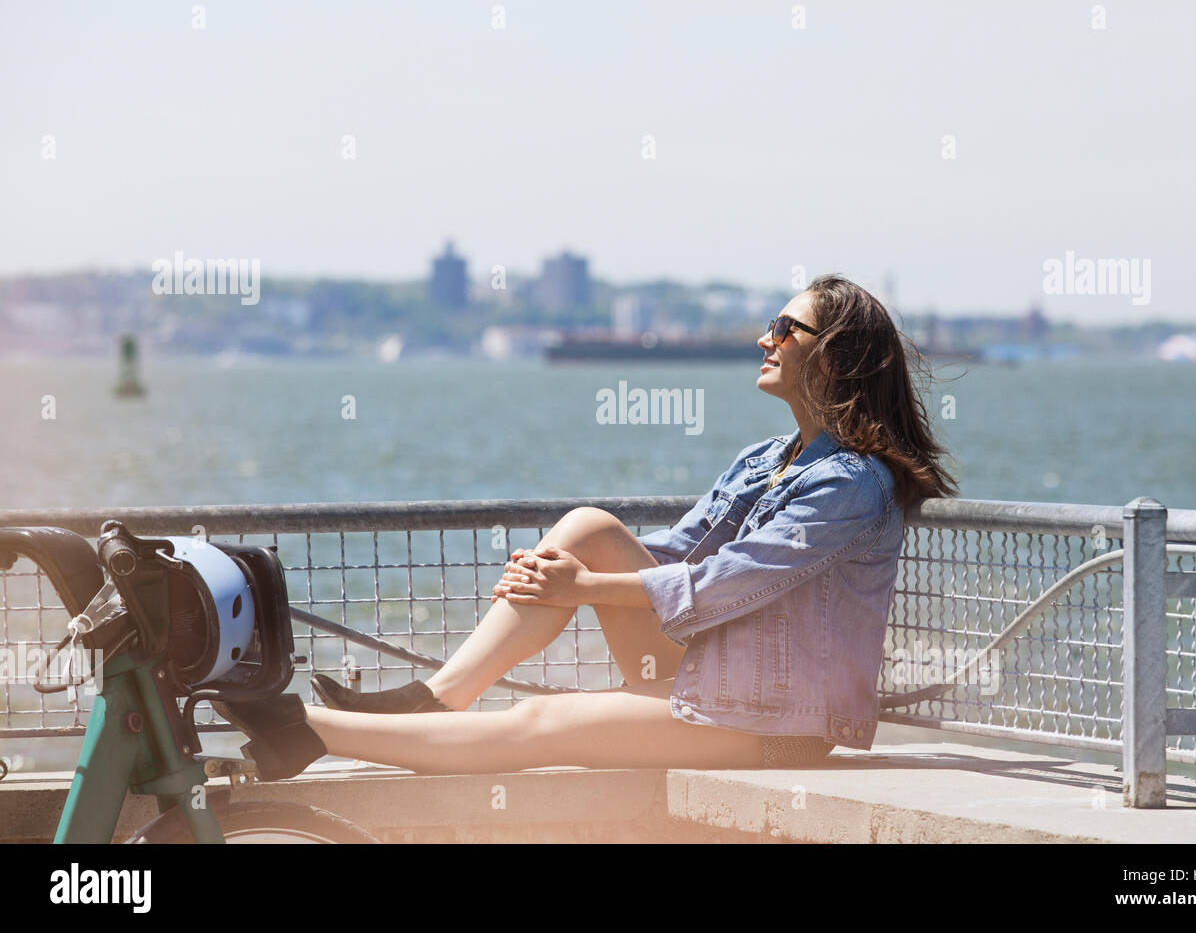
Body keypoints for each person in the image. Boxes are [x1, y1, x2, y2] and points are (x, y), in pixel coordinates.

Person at [215, 274, 958, 779]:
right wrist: (562, 576)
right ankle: (438, 696)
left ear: (833, 358)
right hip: (714, 679)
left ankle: (304, 730)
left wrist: (583, 587)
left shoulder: (849, 484)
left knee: (543, 719)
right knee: (588, 524)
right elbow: (676, 553)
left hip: (775, 722)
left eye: (786, 329)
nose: (766, 338)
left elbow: (722, 585)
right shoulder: (769, 457)